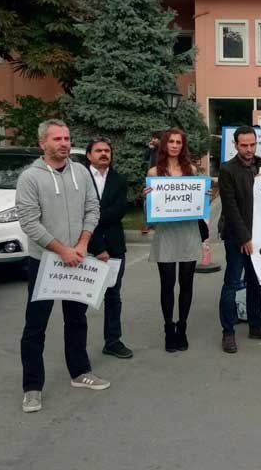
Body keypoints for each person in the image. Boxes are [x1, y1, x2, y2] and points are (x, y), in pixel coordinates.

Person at [16, 119, 106, 414]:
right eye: (57, 139)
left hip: (77, 258)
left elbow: (93, 209)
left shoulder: (80, 172)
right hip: (44, 262)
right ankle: (32, 387)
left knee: (76, 319)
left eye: (67, 138)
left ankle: (80, 372)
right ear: (43, 143)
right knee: (35, 326)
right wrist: (61, 250)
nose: (64, 143)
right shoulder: (30, 177)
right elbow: (29, 221)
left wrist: (81, 245)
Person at [218, 125, 261, 353]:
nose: (249, 149)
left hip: (258, 237)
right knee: (232, 284)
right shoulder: (227, 170)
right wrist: (244, 238)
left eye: (252, 144)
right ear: (236, 145)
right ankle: (228, 332)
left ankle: (256, 324)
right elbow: (231, 208)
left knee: (256, 282)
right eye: (244, 145)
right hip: (236, 238)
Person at [144, 128, 202, 353]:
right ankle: (168, 327)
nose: (175, 145)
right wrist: (146, 197)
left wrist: (202, 195)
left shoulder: (192, 171)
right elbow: (149, 211)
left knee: (186, 283)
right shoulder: (154, 172)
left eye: (179, 142)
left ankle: (182, 327)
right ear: (164, 145)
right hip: (166, 233)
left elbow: (197, 201)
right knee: (167, 284)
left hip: (188, 232)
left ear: (183, 145)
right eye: (171, 142)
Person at [85, 137, 132, 360]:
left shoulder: (119, 180)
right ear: (88, 155)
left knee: (113, 296)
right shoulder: (79, 179)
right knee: (81, 297)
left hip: (115, 246)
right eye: (98, 150)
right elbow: (77, 215)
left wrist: (92, 217)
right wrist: (97, 246)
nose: (104, 154)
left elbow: (119, 211)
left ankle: (113, 341)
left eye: (107, 150)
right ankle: (77, 345)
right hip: (85, 246)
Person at [141, 131, 161, 234]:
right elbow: (144, 159)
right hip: (151, 178)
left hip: (161, 179)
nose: (153, 140)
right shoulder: (152, 149)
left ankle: (157, 223)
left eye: (155, 138)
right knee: (148, 200)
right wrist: (149, 149)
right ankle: (148, 224)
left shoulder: (163, 150)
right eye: (152, 138)